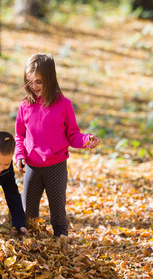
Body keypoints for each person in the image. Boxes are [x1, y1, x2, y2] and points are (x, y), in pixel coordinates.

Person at [15, 53, 100, 237]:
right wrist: (19, 155)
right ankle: (27, 248)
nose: (34, 86)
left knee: (58, 213)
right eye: (30, 81)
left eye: (39, 82)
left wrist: (86, 140)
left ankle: (62, 246)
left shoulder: (64, 105)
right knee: (27, 214)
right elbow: (19, 136)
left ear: (50, 79)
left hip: (56, 167)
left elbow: (73, 135)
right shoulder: (25, 106)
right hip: (32, 167)